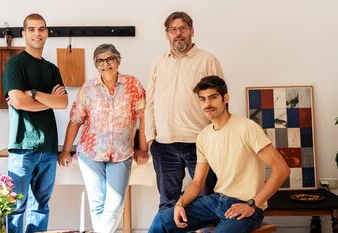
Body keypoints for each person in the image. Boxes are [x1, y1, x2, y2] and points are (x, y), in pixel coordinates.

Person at [148, 76, 290, 233]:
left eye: (213, 97)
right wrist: (180, 204)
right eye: (202, 99)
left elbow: (282, 169)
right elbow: (197, 183)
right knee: (162, 220)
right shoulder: (203, 137)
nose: (207, 104)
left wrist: (252, 204)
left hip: (245, 205)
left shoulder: (247, 127)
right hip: (215, 201)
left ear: (226, 98)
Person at [59, 44, 148, 233]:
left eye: (110, 59)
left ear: (118, 61)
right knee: (97, 204)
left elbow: (143, 117)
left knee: (115, 205)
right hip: (90, 153)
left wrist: (143, 149)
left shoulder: (133, 84)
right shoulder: (88, 88)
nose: (105, 64)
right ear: (95, 64)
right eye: (100, 60)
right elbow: (76, 120)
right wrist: (66, 150)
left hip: (122, 153)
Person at [145, 11, 225, 211]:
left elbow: (220, 101)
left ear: (192, 31)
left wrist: (216, 136)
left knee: (209, 199)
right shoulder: (158, 63)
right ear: (167, 34)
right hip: (164, 144)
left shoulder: (207, 60)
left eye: (183, 28)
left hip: (199, 141)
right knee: (167, 203)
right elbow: (151, 102)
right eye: (173, 29)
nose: (178, 33)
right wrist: (150, 138)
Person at [2, 13, 68, 233]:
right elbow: (18, 102)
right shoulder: (15, 64)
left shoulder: (52, 69)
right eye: (31, 29)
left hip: (48, 148)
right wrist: (48, 99)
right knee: (15, 206)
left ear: (47, 32)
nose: (37, 33)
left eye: (41, 29)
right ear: (24, 33)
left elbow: (63, 102)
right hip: (22, 147)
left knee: (41, 207)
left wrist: (33, 93)